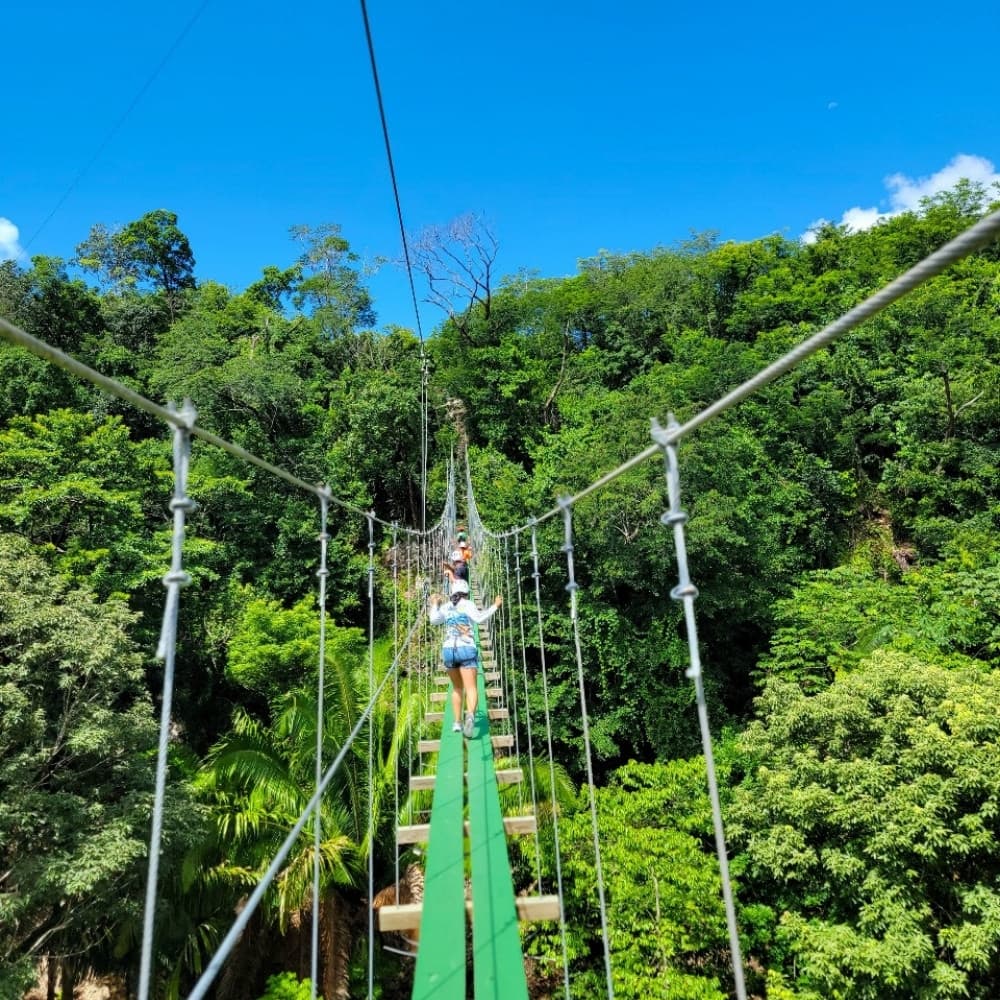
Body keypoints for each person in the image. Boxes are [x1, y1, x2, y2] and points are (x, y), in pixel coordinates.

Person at [428, 590, 502, 738]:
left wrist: (435, 604)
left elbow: (434, 620)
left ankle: (456, 723)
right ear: (466, 593)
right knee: (471, 688)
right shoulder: (468, 604)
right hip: (466, 648)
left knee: (456, 688)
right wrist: (495, 605)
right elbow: (479, 619)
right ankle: (470, 717)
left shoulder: (446, 606)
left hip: (449, 650)